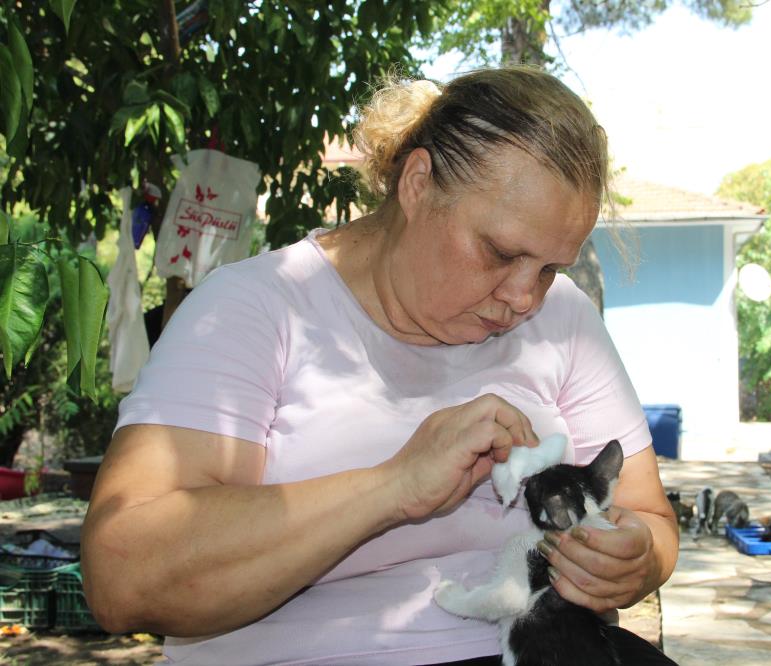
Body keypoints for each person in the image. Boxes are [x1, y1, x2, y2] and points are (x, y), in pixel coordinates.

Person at [81, 65, 680, 665]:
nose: (526, 298)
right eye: (500, 252)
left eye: (551, 269)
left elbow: (651, 518)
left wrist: (633, 560)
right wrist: (393, 486)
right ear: (417, 184)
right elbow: (122, 575)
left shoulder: (564, 318)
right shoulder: (258, 310)